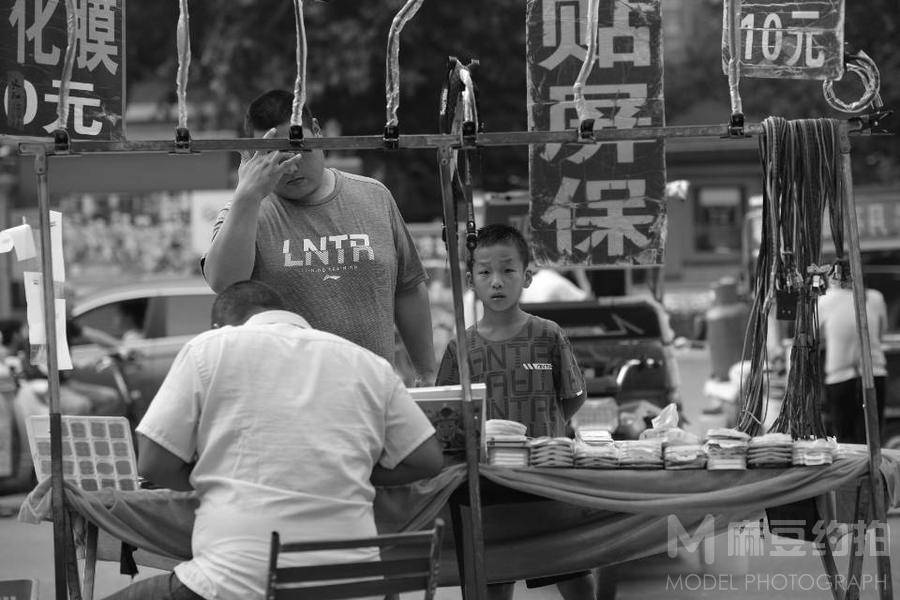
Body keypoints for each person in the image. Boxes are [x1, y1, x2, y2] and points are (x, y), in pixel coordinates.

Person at [103, 280, 443, 600]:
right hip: (352, 587)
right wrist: (354, 470)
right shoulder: (368, 363)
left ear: (220, 327)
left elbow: (152, 463)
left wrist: (212, 476)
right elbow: (427, 459)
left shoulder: (211, 348)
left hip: (235, 583)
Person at [201, 89, 435, 385]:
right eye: (276, 156)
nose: (292, 166)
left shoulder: (374, 196)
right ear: (252, 156)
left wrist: (426, 373)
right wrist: (247, 197)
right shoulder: (244, 213)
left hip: (373, 393)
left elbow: (409, 287)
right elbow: (224, 283)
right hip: (289, 401)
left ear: (319, 133)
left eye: (301, 149)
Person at [435, 224, 593, 600]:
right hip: (488, 484)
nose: (497, 282)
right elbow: (447, 413)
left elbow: (573, 396)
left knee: (571, 571)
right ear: (471, 280)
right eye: (485, 272)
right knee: (493, 578)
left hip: (548, 480)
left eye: (507, 270)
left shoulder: (548, 335)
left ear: (527, 276)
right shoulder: (462, 346)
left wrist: (548, 428)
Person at [817, 260, 889, 444]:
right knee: (871, 438)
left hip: (841, 379)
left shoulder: (825, 301)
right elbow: (881, 334)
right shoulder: (875, 298)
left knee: (845, 440)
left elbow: (816, 338)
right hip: (874, 374)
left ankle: (852, 473)